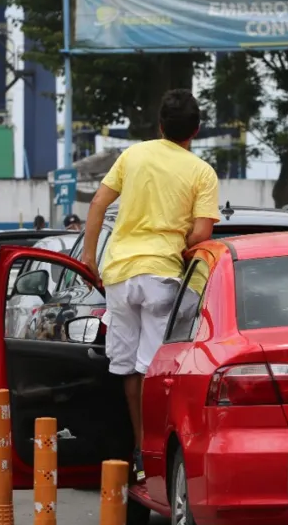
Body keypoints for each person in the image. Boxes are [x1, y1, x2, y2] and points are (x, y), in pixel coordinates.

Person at [81, 89, 220, 483]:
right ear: (196, 130)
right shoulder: (201, 172)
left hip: (121, 275)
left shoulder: (132, 156)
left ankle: (140, 451)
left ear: (159, 125)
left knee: (127, 369)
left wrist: (90, 256)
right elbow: (201, 235)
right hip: (163, 276)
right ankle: (154, 456)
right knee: (155, 371)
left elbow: (97, 205)